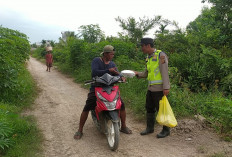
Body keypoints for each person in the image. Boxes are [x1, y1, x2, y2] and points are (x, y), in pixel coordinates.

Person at [74, 45, 132, 140]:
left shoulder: (112, 63)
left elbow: (116, 72)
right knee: (88, 106)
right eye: (111, 54)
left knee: (121, 104)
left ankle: (124, 126)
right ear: (105, 54)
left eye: (113, 54)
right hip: (97, 87)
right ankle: (80, 130)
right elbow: (94, 72)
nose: (112, 55)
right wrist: (108, 70)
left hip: (110, 88)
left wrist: (121, 76)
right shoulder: (97, 61)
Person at [133, 38, 171, 138]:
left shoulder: (160, 55)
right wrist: (137, 74)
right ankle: (150, 128)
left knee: (161, 109)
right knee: (149, 108)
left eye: (142, 46)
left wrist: (166, 87)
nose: (142, 48)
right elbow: (146, 73)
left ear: (148, 45)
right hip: (150, 89)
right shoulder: (148, 57)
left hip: (159, 89)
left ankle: (166, 130)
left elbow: (164, 72)